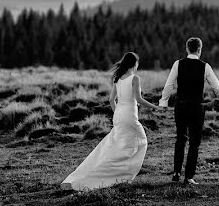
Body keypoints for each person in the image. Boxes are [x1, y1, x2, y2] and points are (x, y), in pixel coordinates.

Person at [61, 52, 162, 191]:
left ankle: (117, 173)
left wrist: (118, 113)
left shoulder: (118, 78)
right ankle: (122, 174)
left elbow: (111, 100)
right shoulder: (135, 78)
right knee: (141, 141)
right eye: (138, 63)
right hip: (129, 115)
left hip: (119, 114)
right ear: (135, 64)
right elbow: (138, 99)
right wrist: (154, 106)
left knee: (120, 145)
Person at [159, 37, 219, 186]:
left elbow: (169, 84)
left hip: (181, 106)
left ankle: (176, 172)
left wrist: (163, 102)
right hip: (197, 108)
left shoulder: (178, 64)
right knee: (194, 143)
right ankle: (189, 176)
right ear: (199, 50)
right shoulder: (205, 67)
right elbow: (216, 87)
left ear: (186, 49)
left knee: (180, 138)